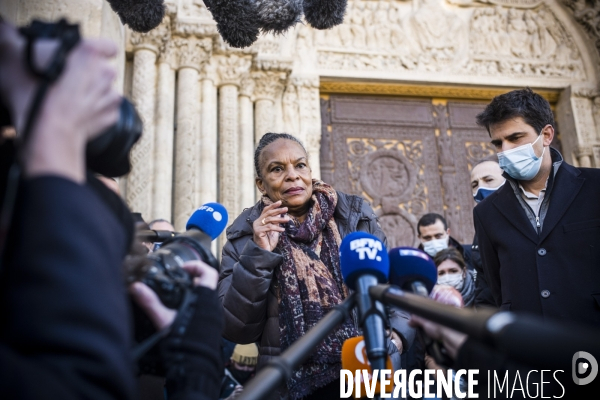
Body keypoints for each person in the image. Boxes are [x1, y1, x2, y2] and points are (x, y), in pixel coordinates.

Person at [218, 132, 410, 399]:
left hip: (367, 373)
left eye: (300, 165)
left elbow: (391, 289)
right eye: (277, 169)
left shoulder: (353, 217)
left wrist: (397, 338)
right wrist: (259, 254)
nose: (293, 176)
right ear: (261, 184)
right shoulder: (244, 239)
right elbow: (236, 327)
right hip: (291, 385)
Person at [474, 87, 600, 326]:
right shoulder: (486, 212)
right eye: (498, 143)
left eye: (515, 138)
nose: (505, 150)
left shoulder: (595, 187)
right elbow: (496, 287)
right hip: (526, 351)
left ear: (546, 135)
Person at [469, 155, 505, 308]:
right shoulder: (482, 230)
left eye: (488, 180)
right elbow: (484, 289)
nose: (480, 188)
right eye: (475, 184)